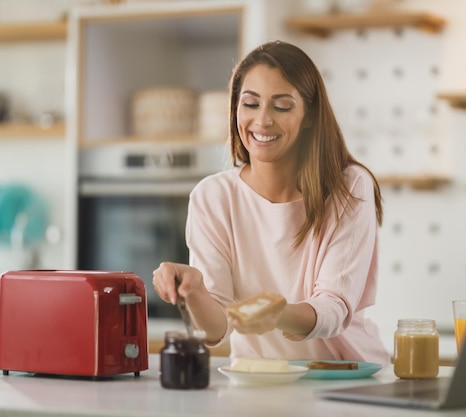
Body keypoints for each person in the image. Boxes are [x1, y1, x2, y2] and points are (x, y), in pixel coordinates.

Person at [153, 40, 389, 364]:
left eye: (282, 106)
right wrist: (194, 292)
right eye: (250, 104)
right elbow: (216, 328)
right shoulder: (213, 197)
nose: (262, 121)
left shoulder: (349, 188)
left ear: (309, 115)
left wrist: (277, 313)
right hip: (261, 379)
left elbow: (334, 307)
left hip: (344, 376)